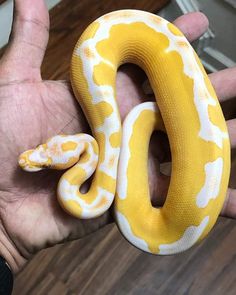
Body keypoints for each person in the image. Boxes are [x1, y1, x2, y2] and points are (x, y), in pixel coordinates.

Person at [0, 0, 235, 293]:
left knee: (144, 116)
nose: (32, 161)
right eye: (44, 161)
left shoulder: (90, 160)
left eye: (43, 158)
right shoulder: (88, 158)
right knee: (143, 116)